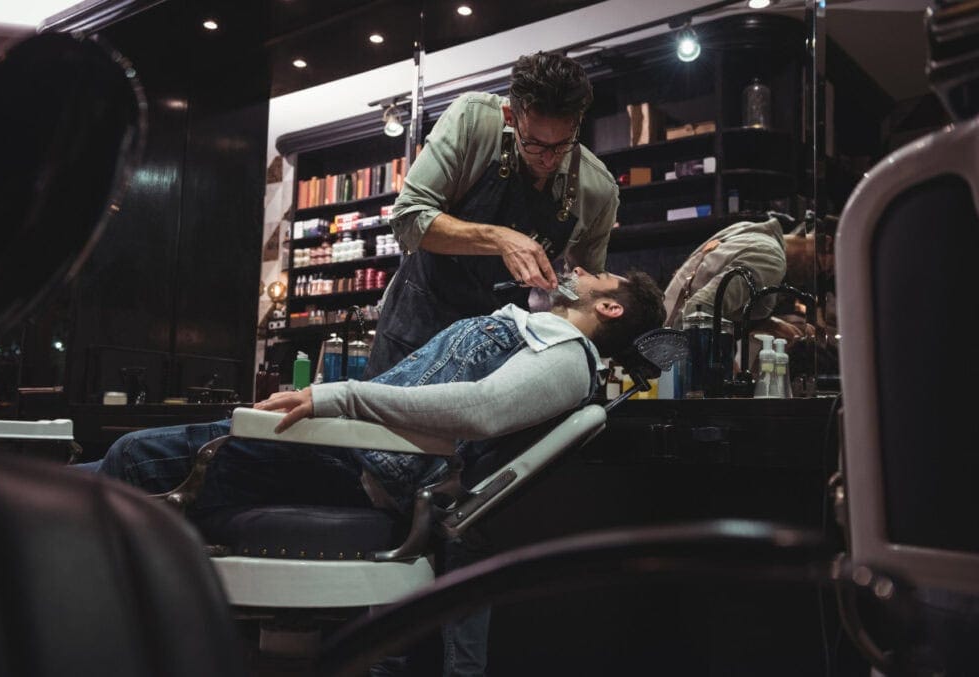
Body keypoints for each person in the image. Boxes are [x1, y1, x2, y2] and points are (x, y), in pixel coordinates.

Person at [83, 266, 665, 677]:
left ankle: (64, 636)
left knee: (137, 457)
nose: (579, 269)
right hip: (343, 450)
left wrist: (338, 397)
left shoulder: (566, 357)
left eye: (596, 275)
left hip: (355, 463)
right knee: (88, 473)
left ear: (609, 307)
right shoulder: (535, 330)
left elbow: (480, 410)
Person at [366, 50, 620, 378]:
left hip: (497, 341)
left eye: (562, 144)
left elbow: (587, 289)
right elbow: (408, 219)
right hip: (418, 320)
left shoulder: (597, 190)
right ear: (510, 117)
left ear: (578, 124)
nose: (548, 159)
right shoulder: (472, 121)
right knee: (380, 422)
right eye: (534, 144)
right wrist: (498, 238)